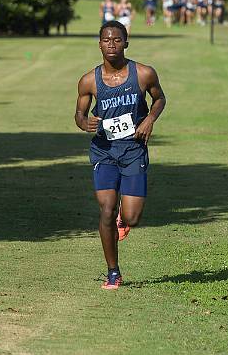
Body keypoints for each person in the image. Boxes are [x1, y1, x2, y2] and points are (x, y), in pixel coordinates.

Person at [74, 20, 166, 290]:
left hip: (133, 149)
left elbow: (160, 98)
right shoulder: (89, 80)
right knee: (105, 209)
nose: (111, 44)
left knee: (132, 217)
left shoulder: (144, 73)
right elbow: (79, 113)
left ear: (125, 42)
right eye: (106, 40)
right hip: (104, 150)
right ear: (99, 43)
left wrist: (150, 118)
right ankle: (113, 272)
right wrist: (82, 123)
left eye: (117, 40)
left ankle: (123, 220)